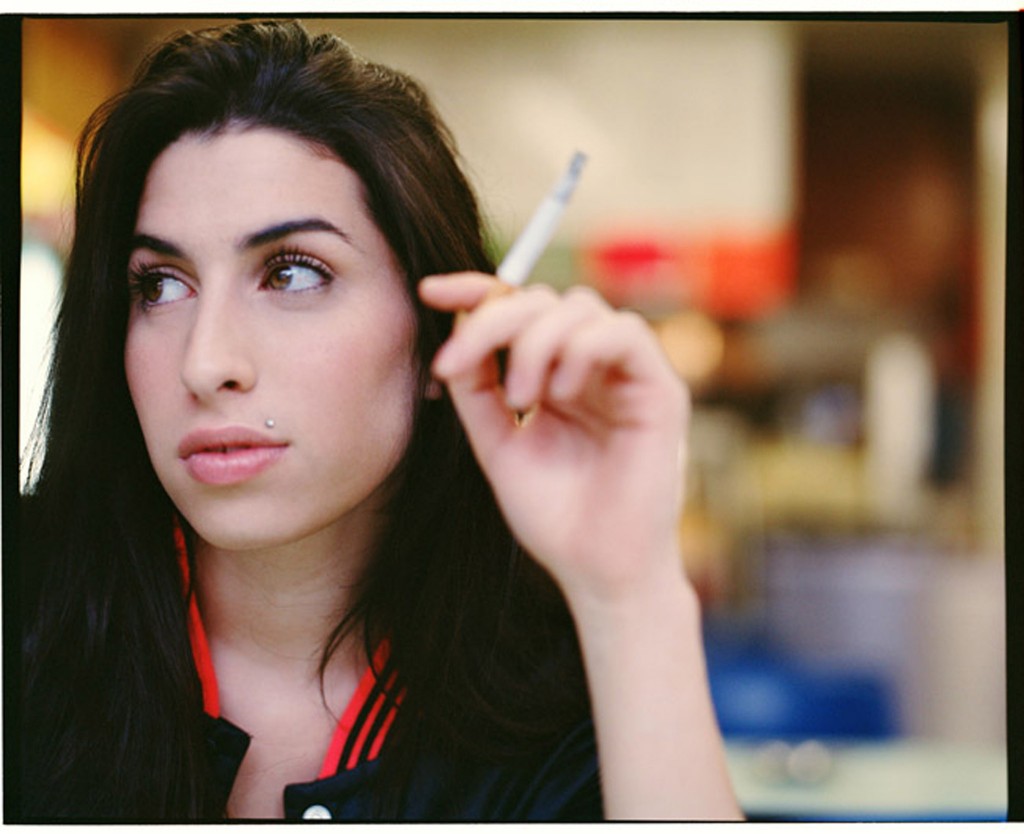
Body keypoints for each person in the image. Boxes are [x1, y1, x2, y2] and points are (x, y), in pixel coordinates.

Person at [17, 19, 740, 821]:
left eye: (293, 273)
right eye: (159, 284)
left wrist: (630, 593)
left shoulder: (560, 708)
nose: (204, 361)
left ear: (440, 335)